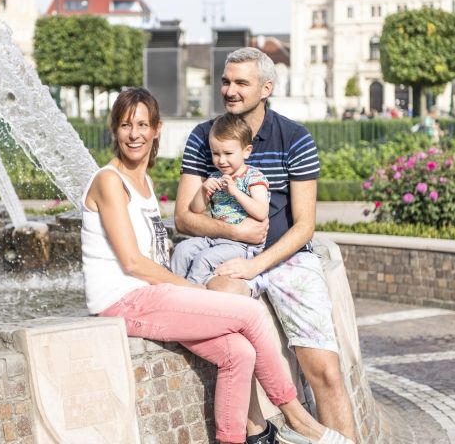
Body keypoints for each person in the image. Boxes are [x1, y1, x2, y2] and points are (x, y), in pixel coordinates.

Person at [82, 87, 350, 444]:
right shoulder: (108, 181)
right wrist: (193, 291)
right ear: (114, 129)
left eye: (143, 125)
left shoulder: (143, 183)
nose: (135, 134)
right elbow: (133, 262)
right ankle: (297, 418)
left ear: (157, 129)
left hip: (151, 296)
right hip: (124, 301)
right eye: (126, 125)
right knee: (248, 313)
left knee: (238, 352)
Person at [175, 47, 356, 442]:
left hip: (287, 258)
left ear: (266, 87)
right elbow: (184, 218)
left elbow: (304, 226)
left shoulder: (295, 138)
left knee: (325, 371)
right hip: (231, 253)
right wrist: (238, 236)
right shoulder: (203, 137)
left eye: (241, 82)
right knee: (222, 303)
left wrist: (258, 265)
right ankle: (258, 427)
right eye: (226, 81)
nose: (230, 90)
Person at [171, 113, 270, 291]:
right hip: (214, 238)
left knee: (204, 259)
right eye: (215, 153)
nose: (221, 160)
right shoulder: (215, 177)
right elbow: (196, 209)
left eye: (228, 153)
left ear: (246, 151)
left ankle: (191, 296)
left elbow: (261, 212)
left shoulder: (254, 178)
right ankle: (172, 289)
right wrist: (203, 191)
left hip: (242, 246)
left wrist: (235, 191)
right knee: (182, 250)